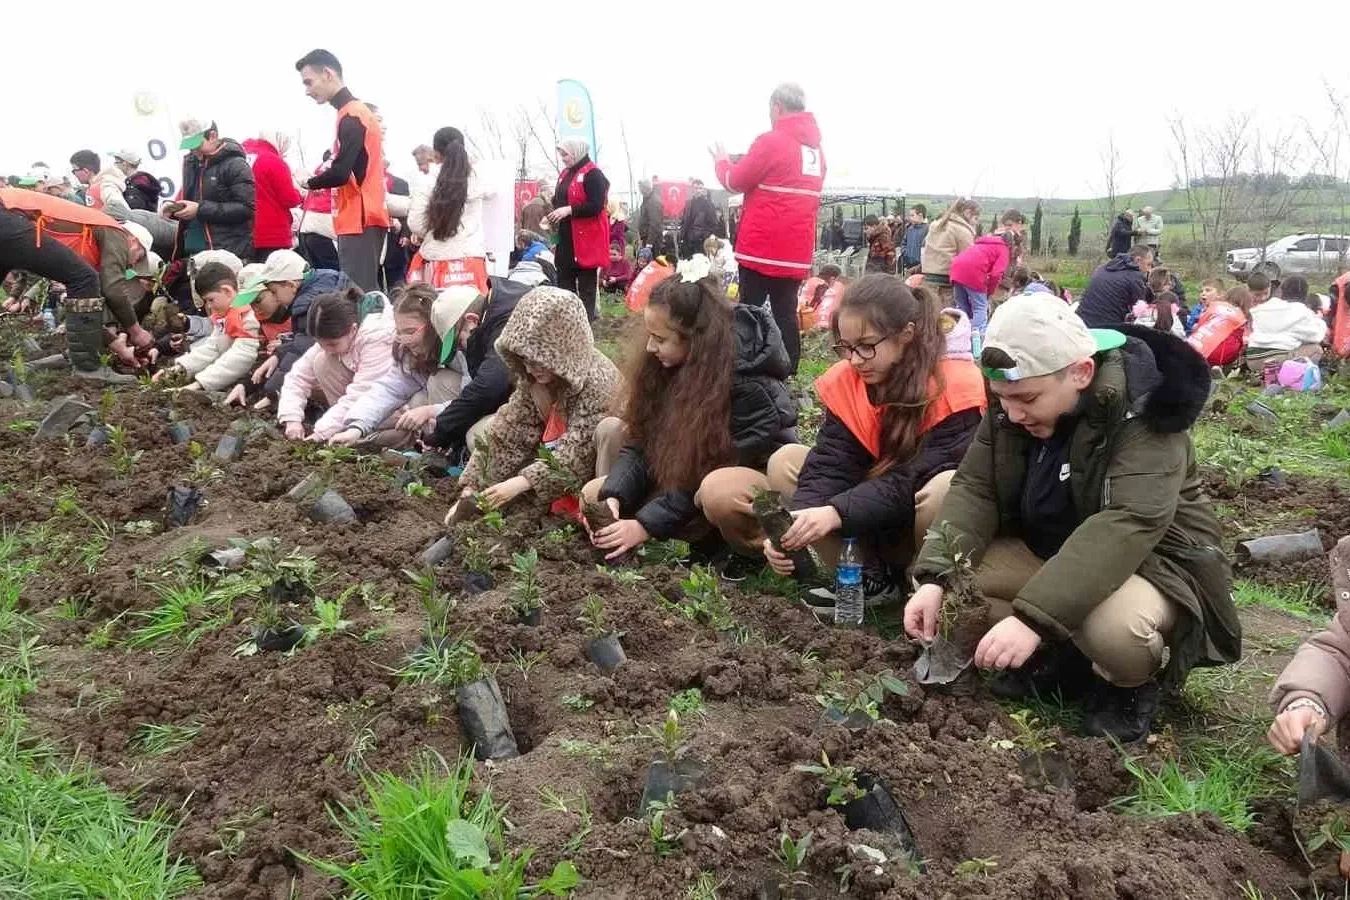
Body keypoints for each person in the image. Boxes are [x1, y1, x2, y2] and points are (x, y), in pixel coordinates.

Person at [903, 293, 1240, 742]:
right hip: (1055, 550)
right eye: (1003, 399)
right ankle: (1063, 657)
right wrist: (934, 577)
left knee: (1114, 629)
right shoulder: (1014, 403)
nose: (1012, 414)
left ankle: (1126, 685)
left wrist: (1032, 620)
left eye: (1027, 398)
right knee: (957, 585)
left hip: (1152, 565)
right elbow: (976, 488)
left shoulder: (1145, 414)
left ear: (1080, 372)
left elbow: (1127, 523)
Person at [699, 275, 986, 602]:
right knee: (787, 460)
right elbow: (831, 463)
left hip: (916, 524)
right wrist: (797, 526)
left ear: (907, 334)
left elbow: (910, 480)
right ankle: (866, 578)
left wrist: (835, 512)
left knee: (944, 487)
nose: (854, 360)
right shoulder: (851, 379)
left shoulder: (957, 387)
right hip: (869, 511)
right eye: (846, 347)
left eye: (866, 346)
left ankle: (924, 583)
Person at [583, 258, 796, 564]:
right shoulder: (664, 368)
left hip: (747, 487)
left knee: (718, 492)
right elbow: (641, 443)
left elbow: (706, 471)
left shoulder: (748, 387)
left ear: (697, 340)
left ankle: (748, 554)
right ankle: (629, 546)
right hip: (687, 483)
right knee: (595, 495)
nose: (649, 348)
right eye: (649, 335)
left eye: (660, 339)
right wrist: (615, 495)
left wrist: (644, 525)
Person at [449, 285, 622, 518]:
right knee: (484, 432)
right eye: (524, 359)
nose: (530, 368)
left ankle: (600, 516)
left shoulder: (599, 382)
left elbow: (579, 454)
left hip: (605, 470)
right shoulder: (536, 379)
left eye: (538, 361)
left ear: (562, 351)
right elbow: (509, 432)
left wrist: (521, 483)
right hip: (557, 461)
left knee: (609, 430)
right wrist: (472, 488)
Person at [711, 83, 825, 375]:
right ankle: (789, 370)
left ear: (777, 107)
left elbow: (735, 181)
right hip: (795, 252)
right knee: (786, 311)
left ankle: (744, 365)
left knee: (749, 310)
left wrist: (722, 162)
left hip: (761, 248)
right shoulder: (816, 151)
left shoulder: (770, 141)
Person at [0, 187, 157, 382]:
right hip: (9, 215)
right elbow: (112, 288)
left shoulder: (89, 238)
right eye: (138, 257)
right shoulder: (115, 231)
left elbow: (82, 309)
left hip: (8, 215)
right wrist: (137, 332)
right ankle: (88, 368)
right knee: (84, 279)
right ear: (133, 241)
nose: (132, 265)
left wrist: (115, 343)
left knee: (83, 280)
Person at [424, 261, 552, 463]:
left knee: (477, 435)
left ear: (472, 320)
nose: (462, 349)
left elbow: (490, 386)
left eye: (459, 341)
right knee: (443, 383)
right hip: (532, 397)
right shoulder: (496, 311)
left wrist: (441, 431)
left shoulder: (507, 319)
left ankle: (529, 468)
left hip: (552, 406)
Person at [327, 284, 481, 447]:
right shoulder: (410, 354)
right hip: (449, 410)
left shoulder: (461, 345)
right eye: (399, 332)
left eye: (410, 331)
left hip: (472, 411)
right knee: (418, 400)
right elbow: (389, 389)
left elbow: (474, 398)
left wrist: (431, 411)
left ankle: (456, 447)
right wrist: (356, 428)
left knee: (439, 381)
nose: (403, 340)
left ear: (434, 325)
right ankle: (437, 446)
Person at [295, 48, 390, 291]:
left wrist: (309, 182)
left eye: (309, 82)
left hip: (360, 217)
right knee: (359, 291)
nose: (307, 91)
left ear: (328, 74)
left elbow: (340, 172)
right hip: (357, 217)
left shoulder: (353, 114)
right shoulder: (349, 114)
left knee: (358, 293)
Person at [226, 249, 351, 408]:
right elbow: (299, 343)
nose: (254, 309)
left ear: (290, 285)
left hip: (353, 372)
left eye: (272, 292)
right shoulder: (323, 283)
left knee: (316, 370)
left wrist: (274, 390)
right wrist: (277, 355)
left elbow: (303, 349)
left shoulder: (307, 306)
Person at [276, 286, 396, 440]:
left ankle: (367, 431)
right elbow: (298, 376)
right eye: (321, 344)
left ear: (353, 330)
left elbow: (363, 393)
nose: (327, 349)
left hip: (398, 404)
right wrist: (292, 419)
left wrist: (321, 432)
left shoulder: (377, 336)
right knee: (322, 362)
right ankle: (346, 428)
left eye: (332, 344)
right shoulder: (334, 337)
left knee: (324, 362)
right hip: (362, 401)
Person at [407, 126, 494, 295]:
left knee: (437, 308)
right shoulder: (481, 180)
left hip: (438, 258)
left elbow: (416, 224)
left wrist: (431, 230)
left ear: (436, 154)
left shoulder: (427, 182)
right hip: (472, 258)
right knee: (474, 309)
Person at [154, 262, 262, 392]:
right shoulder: (225, 316)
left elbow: (241, 356)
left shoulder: (248, 317)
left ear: (227, 290)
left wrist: (199, 385)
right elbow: (213, 347)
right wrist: (178, 369)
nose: (209, 306)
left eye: (210, 300)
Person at [168, 118, 257, 261]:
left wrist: (200, 209)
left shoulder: (236, 165)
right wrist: (173, 209)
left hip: (227, 251)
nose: (193, 150)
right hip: (194, 252)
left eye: (197, 145)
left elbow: (246, 208)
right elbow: (189, 200)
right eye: (190, 146)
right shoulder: (191, 165)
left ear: (213, 136)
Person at [546, 140, 610, 321]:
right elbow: (559, 200)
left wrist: (570, 210)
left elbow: (596, 206)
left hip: (586, 240)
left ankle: (585, 324)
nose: (563, 159)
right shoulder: (565, 173)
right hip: (566, 238)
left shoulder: (593, 174)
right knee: (564, 281)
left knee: (586, 286)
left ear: (576, 152)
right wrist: (553, 214)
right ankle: (568, 323)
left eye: (565, 154)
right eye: (561, 155)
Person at [949, 209, 1023, 335]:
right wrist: (989, 292)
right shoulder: (1004, 249)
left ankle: (958, 336)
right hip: (973, 273)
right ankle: (978, 338)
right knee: (980, 307)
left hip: (956, 270)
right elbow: (996, 274)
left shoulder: (985, 242)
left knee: (962, 308)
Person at [243, 131, 302, 260]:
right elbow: (289, 199)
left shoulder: (241, 158)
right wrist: (300, 194)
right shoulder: (273, 160)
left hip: (243, 231)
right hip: (272, 233)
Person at [1246, 273, 1328, 366]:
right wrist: (1320, 322)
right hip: (1274, 359)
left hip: (1252, 359)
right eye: (1258, 295)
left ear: (1282, 290)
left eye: (1265, 293)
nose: (1262, 298)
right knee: (1316, 349)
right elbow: (1316, 336)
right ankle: (1295, 374)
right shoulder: (1299, 310)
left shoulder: (1264, 307)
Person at [1075, 244, 1154, 327]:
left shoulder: (1102, 268)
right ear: (1138, 260)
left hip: (1080, 322)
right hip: (1106, 327)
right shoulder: (1135, 277)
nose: (1149, 270)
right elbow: (1140, 309)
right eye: (1148, 264)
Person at [920, 198, 980, 304]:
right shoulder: (962, 230)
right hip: (947, 284)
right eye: (976, 218)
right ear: (968, 213)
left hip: (928, 279)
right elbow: (969, 260)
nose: (977, 222)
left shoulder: (936, 225)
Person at [1188, 283, 1250, 368]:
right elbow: (1244, 340)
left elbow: (1200, 324)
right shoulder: (1242, 317)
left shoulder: (1214, 306)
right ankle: (1226, 368)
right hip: (1217, 355)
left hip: (1192, 346)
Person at [298, 153, 340, 271]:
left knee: (320, 272)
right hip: (327, 225)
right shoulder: (341, 167)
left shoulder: (320, 168)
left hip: (309, 224)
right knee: (335, 274)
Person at [678, 180, 719, 260]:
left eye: (700, 188)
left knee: (699, 265)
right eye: (696, 188)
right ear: (692, 189)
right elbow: (684, 222)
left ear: (703, 189)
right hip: (687, 241)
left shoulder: (708, 204)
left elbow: (714, 225)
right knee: (687, 264)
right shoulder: (688, 204)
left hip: (700, 242)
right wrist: (682, 236)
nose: (698, 190)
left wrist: (704, 236)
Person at [638, 179, 664, 251]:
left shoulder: (653, 201)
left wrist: (649, 243)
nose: (640, 191)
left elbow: (655, 223)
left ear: (646, 188)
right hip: (647, 238)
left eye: (641, 188)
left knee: (652, 258)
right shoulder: (647, 200)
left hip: (653, 241)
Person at [900, 204, 928, 272]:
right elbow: (903, 243)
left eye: (912, 215)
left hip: (921, 267)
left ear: (920, 215)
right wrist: (906, 253)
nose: (910, 218)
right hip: (909, 264)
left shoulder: (928, 229)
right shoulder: (910, 229)